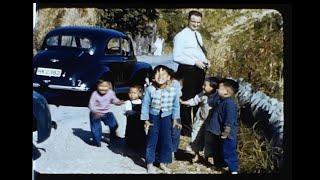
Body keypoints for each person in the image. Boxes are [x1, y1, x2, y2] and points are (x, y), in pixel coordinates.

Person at [173, 10, 209, 138]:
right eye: (193, 21)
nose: (195, 24)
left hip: (199, 70)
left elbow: (199, 52)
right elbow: (176, 56)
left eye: (198, 22)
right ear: (188, 20)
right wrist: (194, 62)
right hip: (187, 70)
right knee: (186, 99)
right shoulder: (180, 36)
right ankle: (186, 130)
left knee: (198, 98)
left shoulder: (198, 35)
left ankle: (195, 128)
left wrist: (205, 61)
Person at [141, 65, 181, 174]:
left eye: (163, 74)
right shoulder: (150, 89)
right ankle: (150, 163)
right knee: (152, 140)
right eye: (158, 73)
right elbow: (145, 105)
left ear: (168, 77)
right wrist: (145, 119)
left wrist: (175, 119)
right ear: (154, 76)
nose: (160, 76)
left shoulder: (173, 91)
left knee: (166, 140)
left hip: (166, 118)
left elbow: (176, 106)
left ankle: (163, 163)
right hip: (153, 117)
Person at [204, 78, 239, 174]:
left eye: (219, 88)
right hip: (219, 132)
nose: (217, 90)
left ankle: (234, 170)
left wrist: (227, 130)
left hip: (227, 134)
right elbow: (213, 101)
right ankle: (220, 165)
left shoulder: (230, 104)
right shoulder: (221, 100)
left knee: (229, 151)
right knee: (218, 149)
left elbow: (230, 118)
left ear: (226, 92)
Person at [180, 77, 219, 163]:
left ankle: (208, 156)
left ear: (213, 87)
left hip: (211, 121)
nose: (203, 87)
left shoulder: (217, 97)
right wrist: (184, 102)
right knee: (195, 135)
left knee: (209, 139)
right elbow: (195, 100)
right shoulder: (202, 94)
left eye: (205, 85)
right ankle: (196, 154)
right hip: (200, 119)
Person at [88, 78, 124, 147]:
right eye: (101, 86)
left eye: (105, 86)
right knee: (96, 128)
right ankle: (97, 141)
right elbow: (91, 104)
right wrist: (95, 112)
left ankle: (113, 137)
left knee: (114, 124)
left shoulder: (111, 93)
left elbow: (114, 99)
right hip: (95, 113)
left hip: (106, 113)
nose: (103, 88)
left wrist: (118, 102)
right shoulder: (95, 94)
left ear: (109, 86)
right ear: (97, 86)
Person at [124, 85, 146, 153]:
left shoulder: (142, 102)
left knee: (141, 132)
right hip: (131, 122)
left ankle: (140, 144)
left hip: (140, 122)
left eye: (134, 93)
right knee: (131, 133)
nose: (132, 94)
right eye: (130, 92)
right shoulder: (128, 102)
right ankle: (130, 145)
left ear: (139, 94)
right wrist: (137, 113)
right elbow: (128, 111)